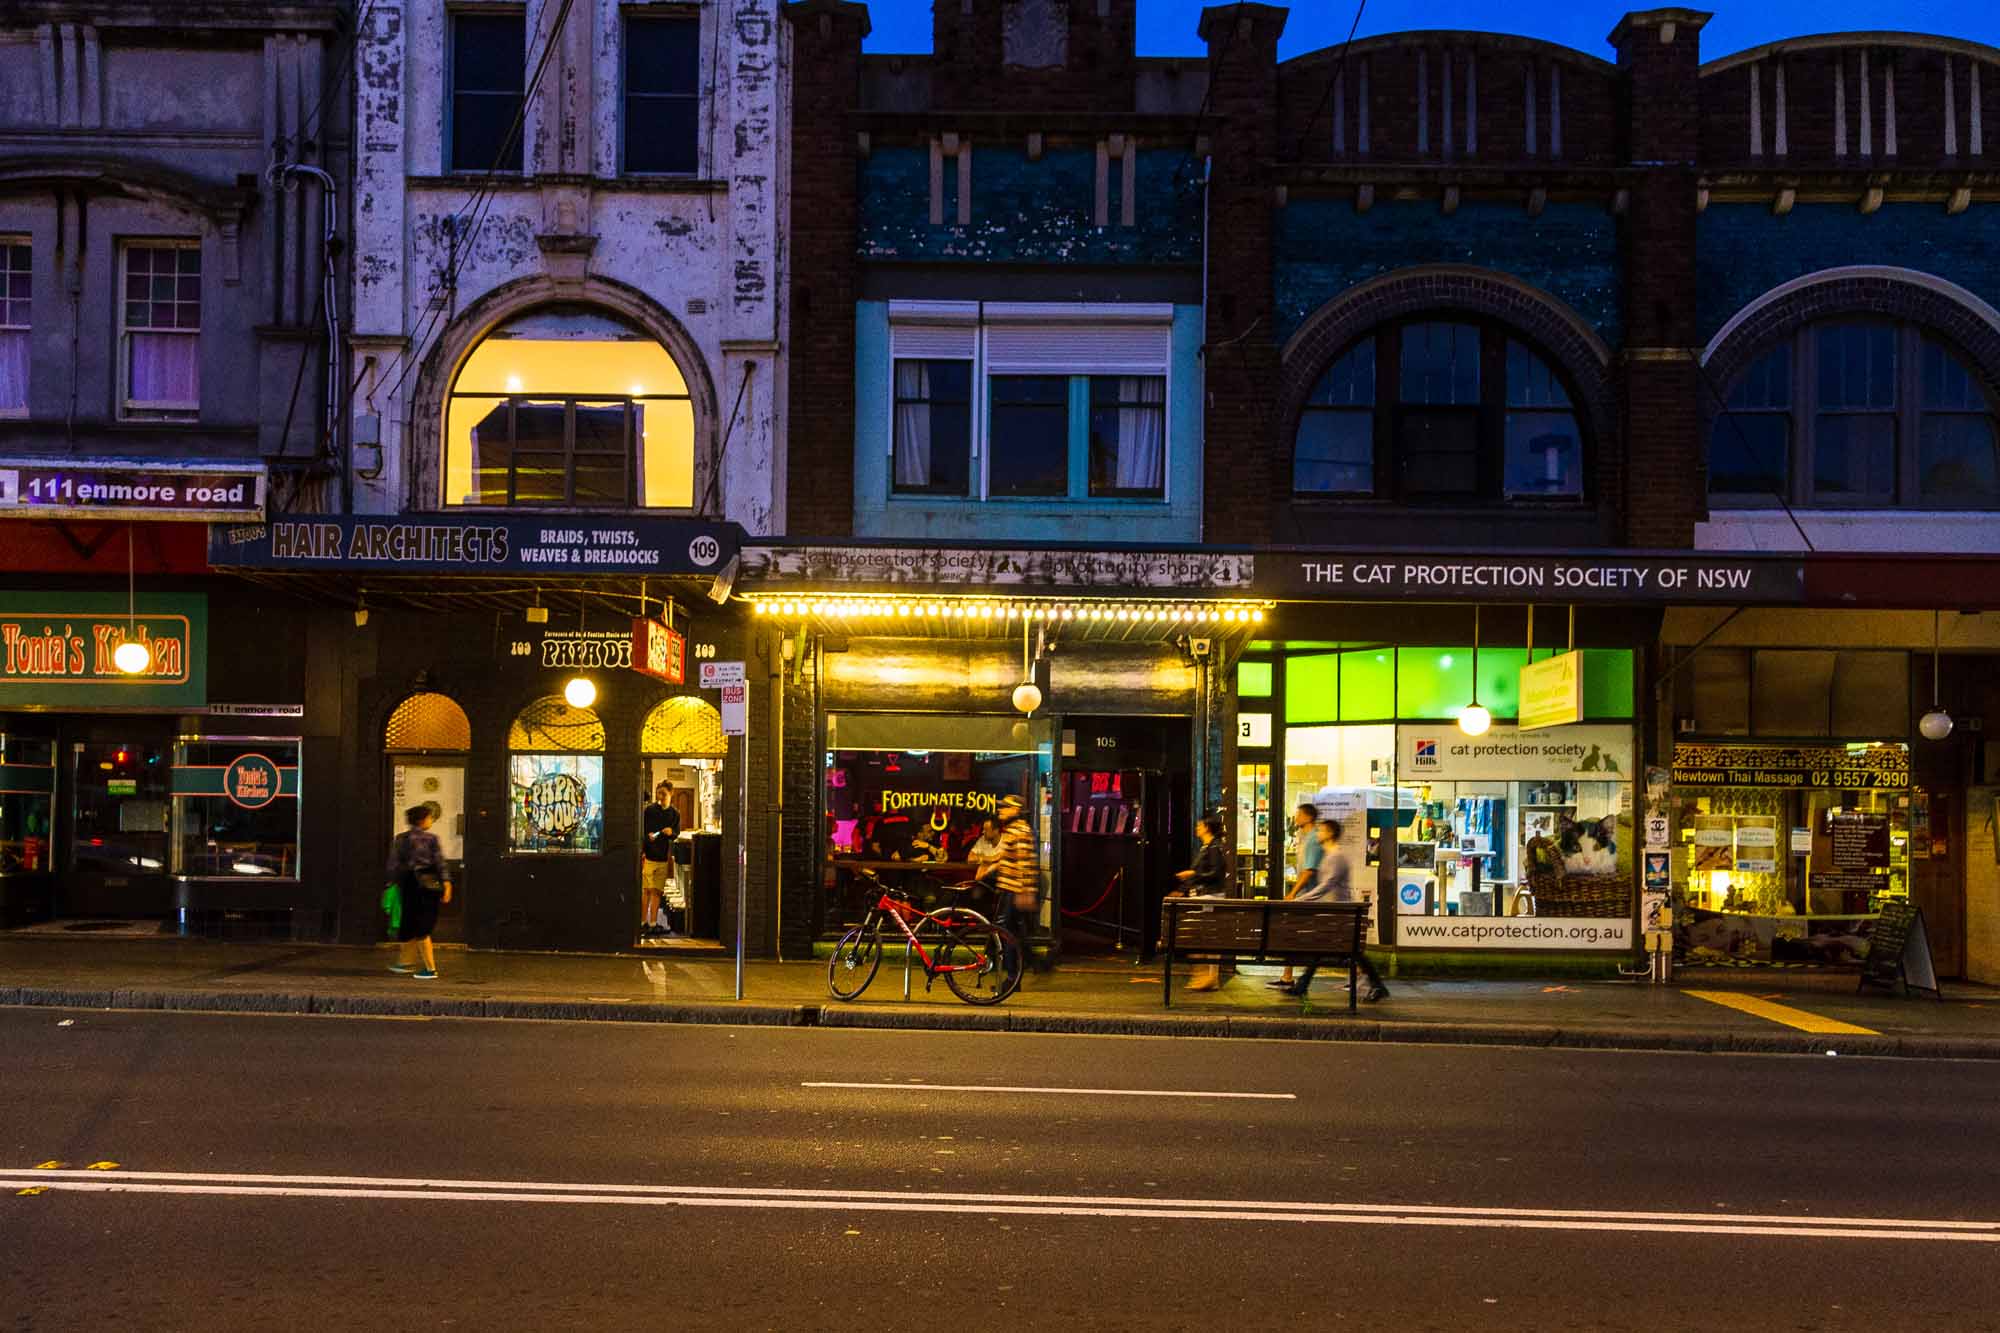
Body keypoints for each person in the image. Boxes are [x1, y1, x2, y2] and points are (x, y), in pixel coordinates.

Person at [1282, 818, 1388, 1002]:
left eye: (1322, 830)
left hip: (1341, 913)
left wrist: (1302, 899)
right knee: (1330, 949)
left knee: (1350, 952)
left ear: (1330, 833)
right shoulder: (1330, 856)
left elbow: (1327, 885)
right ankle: (1302, 985)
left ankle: (1378, 985)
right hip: (1335, 912)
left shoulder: (1336, 856)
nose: (1319, 834)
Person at [386, 804, 451, 980]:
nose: (431, 820)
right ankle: (429, 968)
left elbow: (393, 865)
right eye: (429, 817)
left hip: (408, 884)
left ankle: (406, 963)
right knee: (423, 925)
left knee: (410, 921)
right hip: (428, 883)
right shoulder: (431, 839)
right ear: (422, 820)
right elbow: (440, 863)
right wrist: (446, 884)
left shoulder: (400, 839)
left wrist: (390, 884)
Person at [1173, 814, 1230, 992]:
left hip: (1210, 897)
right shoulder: (1207, 846)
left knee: (1198, 935)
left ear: (1207, 827)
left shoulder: (1214, 847)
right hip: (1205, 896)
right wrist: (1182, 890)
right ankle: (1206, 976)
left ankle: (1207, 975)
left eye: (1200, 825)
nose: (1197, 827)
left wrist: (1192, 875)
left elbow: (1215, 874)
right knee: (1202, 936)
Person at [1274, 802, 1323, 989]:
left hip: (1308, 897)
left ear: (1308, 817)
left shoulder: (1312, 839)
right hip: (1307, 895)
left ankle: (1289, 977)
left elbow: (1309, 870)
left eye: (1299, 814)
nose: (1295, 817)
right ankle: (1287, 976)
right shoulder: (1304, 837)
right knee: (1293, 933)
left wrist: (1292, 893)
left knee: (1293, 933)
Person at [993, 794, 1041, 979]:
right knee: (1014, 931)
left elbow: (1023, 862)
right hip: (1012, 888)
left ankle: (1013, 976)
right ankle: (1030, 964)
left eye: (1004, 806)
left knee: (1008, 932)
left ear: (1015, 810)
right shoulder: (1015, 829)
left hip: (1015, 889)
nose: (1000, 809)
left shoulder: (1017, 830)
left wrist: (1025, 891)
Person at [641, 782, 682, 938]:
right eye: (658, 793)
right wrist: (647, 836)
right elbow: (642, 831)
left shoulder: (675, 814)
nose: (660, 797)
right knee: (646, 890)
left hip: (663, 857)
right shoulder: (649, 811)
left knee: (657, 891)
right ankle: (643, 922)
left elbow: (676, 833)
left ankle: (652, 923)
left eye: (663, 794)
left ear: (671, 794)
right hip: (649, 856)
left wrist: (671, 832)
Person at [967, 817, 1003, 882]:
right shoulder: (982, 840)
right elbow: (970, 858)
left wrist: (983, 860)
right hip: (984, 881)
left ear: (996, 831)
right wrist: (990, 860)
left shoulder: (1006, 841)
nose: (983, 832)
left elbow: (1001, 857)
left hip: (1001, 882)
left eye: (986, 829)